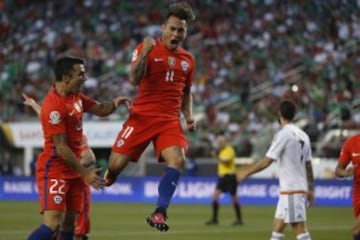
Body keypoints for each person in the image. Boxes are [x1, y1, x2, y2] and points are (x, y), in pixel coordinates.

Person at [103, 1, 196, 232]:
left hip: (168, 120)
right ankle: (111, 173)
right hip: (142, 117)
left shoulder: (188, 60)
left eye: (181, 30)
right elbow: (133, 79)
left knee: (178, 159)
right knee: (115, 166)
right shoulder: (147, 48)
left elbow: (186, 92)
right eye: (172, 28)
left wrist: (189, 116)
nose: (176, 33)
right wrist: (144, 52)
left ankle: (159, 212)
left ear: (185, 33)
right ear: (163, 27)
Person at [26, 56, 131, 240]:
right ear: (66, 78)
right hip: (55, 170)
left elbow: (100, 109)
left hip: (74, 170)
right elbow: (61, 148)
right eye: (80, 74)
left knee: (70, 224)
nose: (85, 78)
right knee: (53, 224)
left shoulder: (76, 97)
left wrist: (115, 103)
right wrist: (85, 173)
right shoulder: (54, 107)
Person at [237, 99, 315, 240]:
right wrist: (311, 188)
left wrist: (245, 173)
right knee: (277, 227)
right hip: (294, 189)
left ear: (279, 113)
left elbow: (267, 161)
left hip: (292, 189)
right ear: (294, 115)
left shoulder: (283, 134)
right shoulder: (304, 135)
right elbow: (308, 165)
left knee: (299, 229)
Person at [23, 93, 96, 240]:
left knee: (70, 227)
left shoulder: (78, 138)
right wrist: (35, 105)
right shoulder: (59, 130)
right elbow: (46, 116)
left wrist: (76, 167)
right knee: (56, 226)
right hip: (61, 177)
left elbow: (90, 157)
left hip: (77, 181)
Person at [205, 134, 243, 226]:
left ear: (225, 142)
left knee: (234, 198)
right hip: (222, 177)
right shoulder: (221, 151)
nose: (219, 143)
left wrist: (217, 156)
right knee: (215, 196)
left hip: (230, 177)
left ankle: (239, 219)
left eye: (221, 142)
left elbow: (226, 162)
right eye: (218, 142)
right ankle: (214, 219)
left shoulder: (229, 150)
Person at [335, 133, 360, 240]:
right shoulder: (352, 142)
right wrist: (346, 173)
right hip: (358, 192)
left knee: (357, 230)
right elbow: (338, 170)